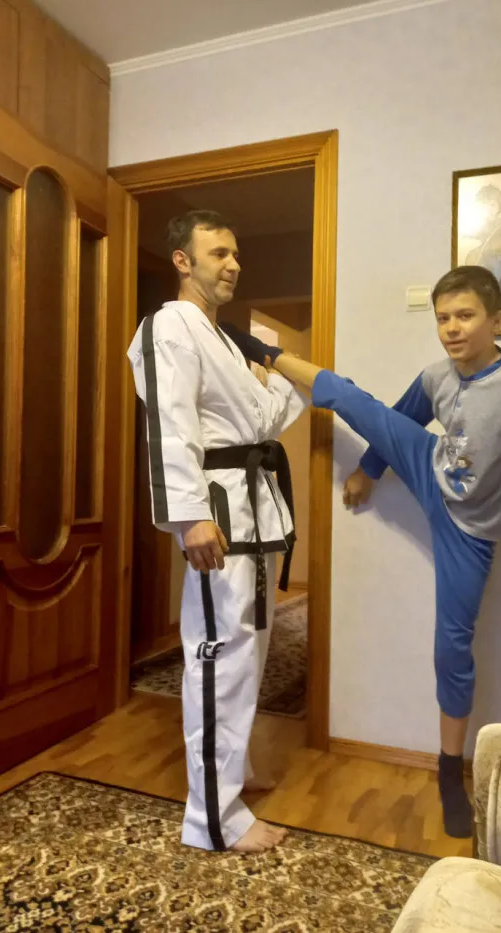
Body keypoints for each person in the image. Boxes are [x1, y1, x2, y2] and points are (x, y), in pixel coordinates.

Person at [223, 265, 501, 839]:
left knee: (452, 647)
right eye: (443, 318)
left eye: (466, 316)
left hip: (472, 528)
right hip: (429, 467)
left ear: (497, 320)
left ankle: (450, 769)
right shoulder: (436, 376)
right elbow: (398, 421)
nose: (452, 328)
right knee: (355, 400)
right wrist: (368, 470)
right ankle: (266, 353)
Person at [127, 210, 308, 854]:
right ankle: (214, 817)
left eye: (236, 253)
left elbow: (264, 418)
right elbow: (168, 424)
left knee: (249, 652)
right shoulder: (170, 326)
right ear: (183, 261)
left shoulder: (226, 340)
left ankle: (233, 771)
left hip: (254, 513)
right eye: (219, 253)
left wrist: (282, 375)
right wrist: (189, 515)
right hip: (217, 515)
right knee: (217, 657)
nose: (233, 264)